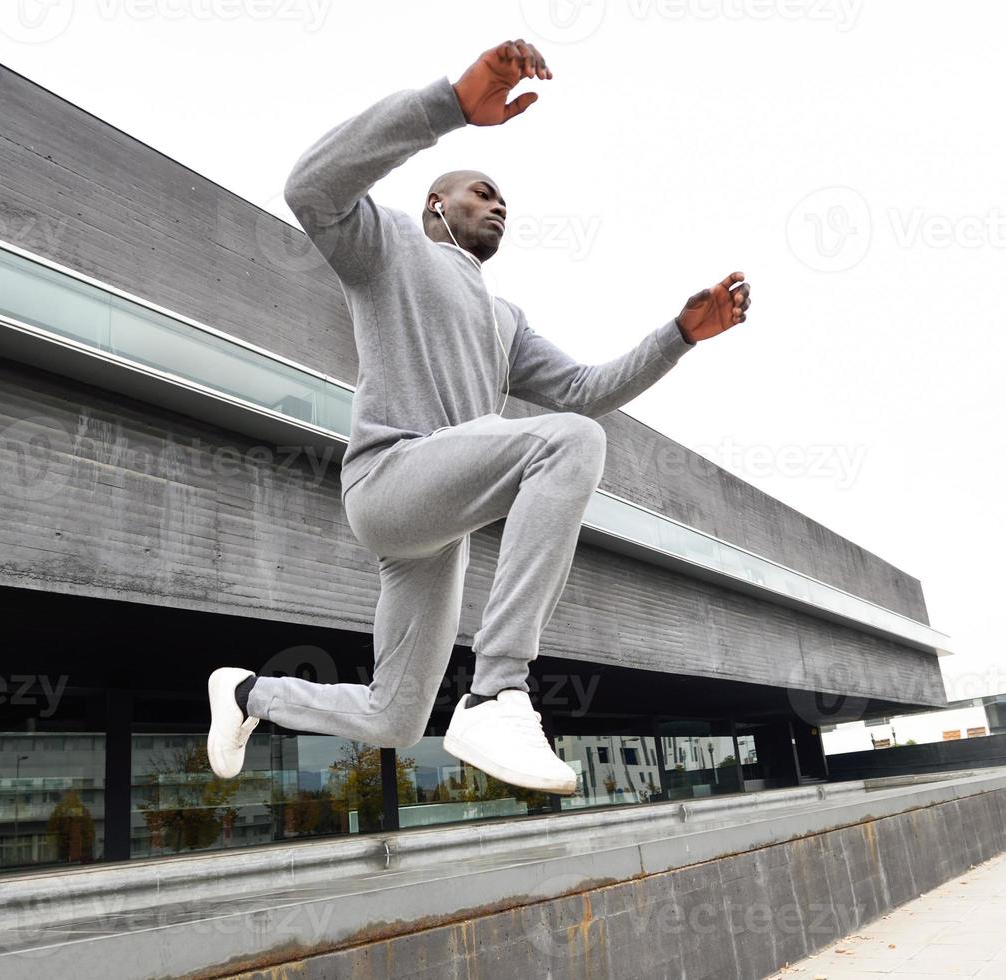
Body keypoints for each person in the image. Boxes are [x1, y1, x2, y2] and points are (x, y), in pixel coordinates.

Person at [208, 39, 750, 794]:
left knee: (394, 718)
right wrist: (449, 107)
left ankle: (245, 694)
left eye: (503, 202)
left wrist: (678, 337)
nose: (497, 206)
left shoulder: (506, 319)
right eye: (482, 192)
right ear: (437, 203)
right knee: (566, 445)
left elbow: (584, 390)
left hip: (436, 527)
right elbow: (309, 188)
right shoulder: (388, 245)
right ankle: (497, 690)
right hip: (390, 477)